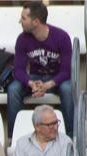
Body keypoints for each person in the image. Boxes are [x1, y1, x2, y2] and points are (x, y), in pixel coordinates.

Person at [7, 2, 73, 137]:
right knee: (13, 89)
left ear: (36, 21)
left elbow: (67, 72)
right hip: (35, 78)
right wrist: (31, 84)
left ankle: (71, 134)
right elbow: (18, 70)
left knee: (68, 89)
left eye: (24, 18)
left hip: (56, 79)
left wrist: (47, 85)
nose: (20, 21)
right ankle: (14, 136)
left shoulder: (62, 37)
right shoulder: (22, 39)